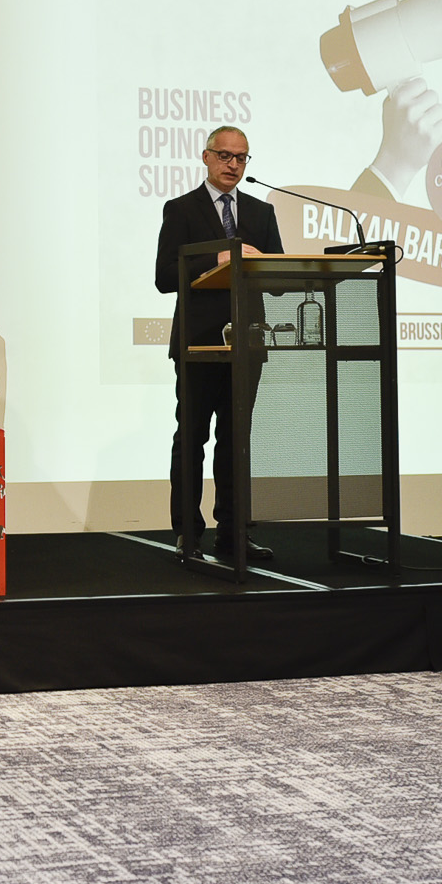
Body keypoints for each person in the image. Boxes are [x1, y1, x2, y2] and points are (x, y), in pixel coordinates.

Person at [153, 126, 283, 564]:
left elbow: (278, 278)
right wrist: (218, 258)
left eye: (242, 157)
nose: (233, 165)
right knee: (191, 438)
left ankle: (234, 535)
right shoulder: (182, 210)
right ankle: (188, 535)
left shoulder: (261, 213)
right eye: (225, 156)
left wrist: (264, 265)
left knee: (236, 442)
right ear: (206, 157)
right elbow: (165, 277)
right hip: (199, 345)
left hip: (246, 344)